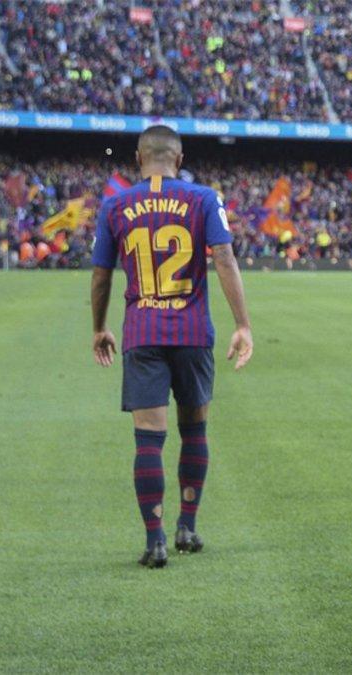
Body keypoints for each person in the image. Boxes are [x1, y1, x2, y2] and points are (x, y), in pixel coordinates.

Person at [90, 125, 254, 568]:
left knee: (149, 439)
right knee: (194, 431)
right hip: (192, 331)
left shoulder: (116, 204)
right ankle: (188, 526)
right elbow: (224, 258)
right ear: (178, 160)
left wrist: (99, 327)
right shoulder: (202, 198)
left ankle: (154, 540)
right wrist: (242, 324)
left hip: (142, 332)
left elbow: (102, 275)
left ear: (138, 158)